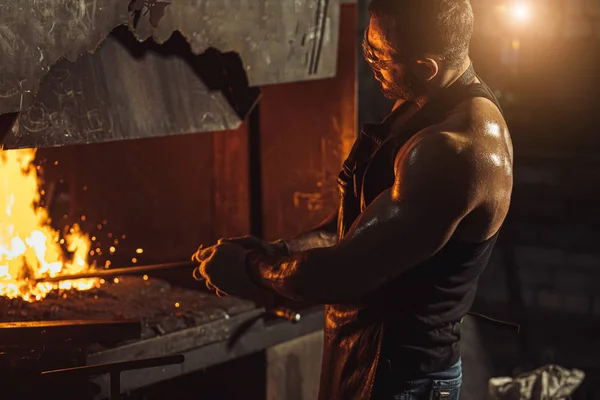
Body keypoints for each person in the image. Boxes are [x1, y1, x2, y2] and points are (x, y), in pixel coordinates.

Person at [194, 0, 513, 399]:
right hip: (363, 355)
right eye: (368, 47)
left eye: (380, 56)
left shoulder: (454, 151)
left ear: (426, 66)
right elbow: (352, 229)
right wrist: (280, 251)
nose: (370, 63)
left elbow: (342, 273)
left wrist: (252, 269)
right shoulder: (424, 100)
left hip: (403, 377)